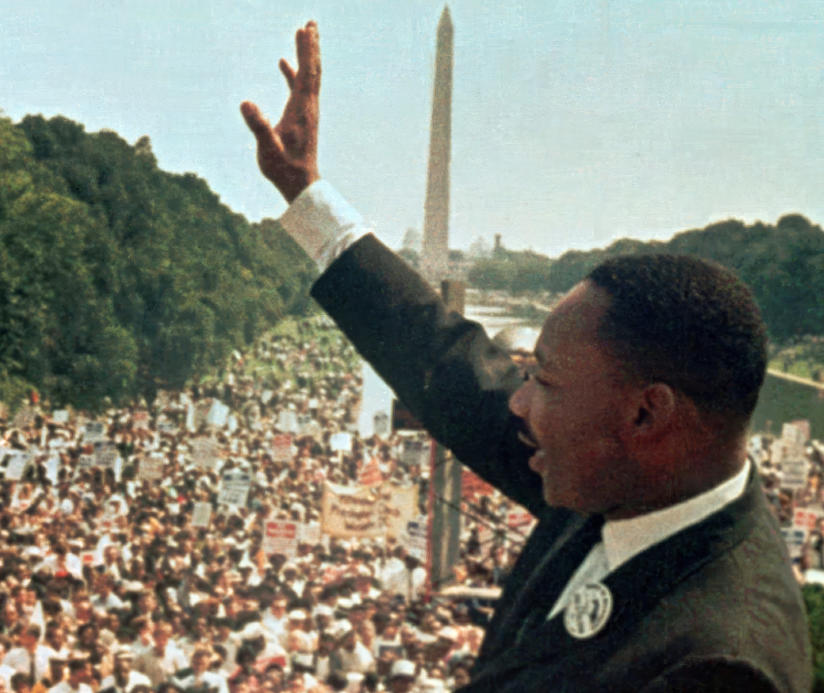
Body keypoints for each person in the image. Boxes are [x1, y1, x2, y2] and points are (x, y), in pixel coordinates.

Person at [240, 21, 812, 692]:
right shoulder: (631, 478)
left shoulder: (717, 665)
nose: (515, 399)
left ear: (646, 413)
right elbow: (449, 363)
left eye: (543, 379)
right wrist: (307, 196)